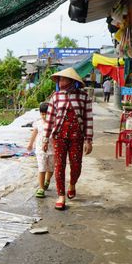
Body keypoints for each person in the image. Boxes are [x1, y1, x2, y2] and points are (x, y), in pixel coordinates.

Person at [42, 68, 93, 210]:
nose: (60, 81)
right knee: (59, 165)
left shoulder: (84, 97)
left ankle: (72, 184)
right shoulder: (56, 97)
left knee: (76, 165)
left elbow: (88, 119)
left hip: (77, 136)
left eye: (63, 79)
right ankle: (61, 196)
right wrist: (45, 139)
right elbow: (50, 119)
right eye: (59, 79)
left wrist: (88, 140)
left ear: (72, 81)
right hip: (59, 136)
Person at [26, 102, 54, 199]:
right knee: (42, 168)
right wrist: (30, 144)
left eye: (46, 114)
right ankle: (41, 188)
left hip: (52, 150)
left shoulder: (54, 124)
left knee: (51, 169)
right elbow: (34, 133)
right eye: (42, 114)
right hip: (40, 150)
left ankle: (47, 180)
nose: (44, 116)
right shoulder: (38, 123)